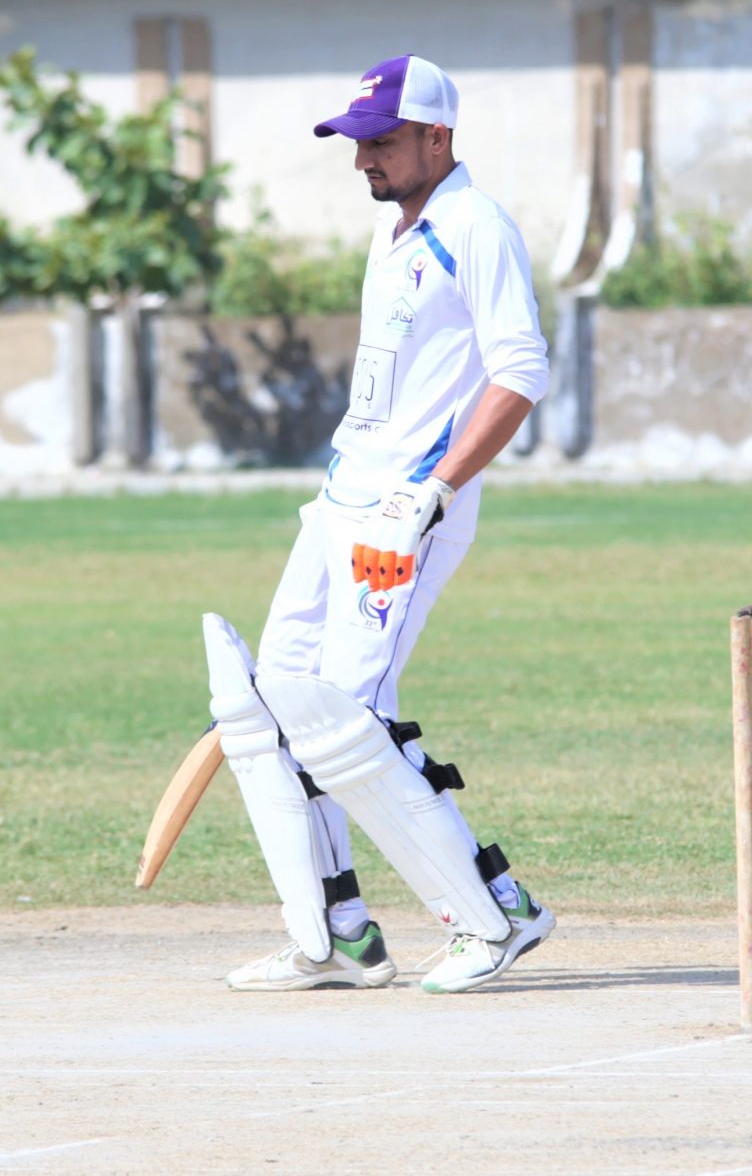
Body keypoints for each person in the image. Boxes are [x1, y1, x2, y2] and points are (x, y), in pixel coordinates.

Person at [200, 53, 555, 996]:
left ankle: (492, 917)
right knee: (281, 702)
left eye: (384, 142)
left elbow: (521, 371)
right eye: (357, 144)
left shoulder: (474, 227)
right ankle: (338, 938)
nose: (365, 160)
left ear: (438, 137)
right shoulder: (397, 229)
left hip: (403, 514)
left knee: (346, 724)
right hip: (341, 497)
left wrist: (434, 490)